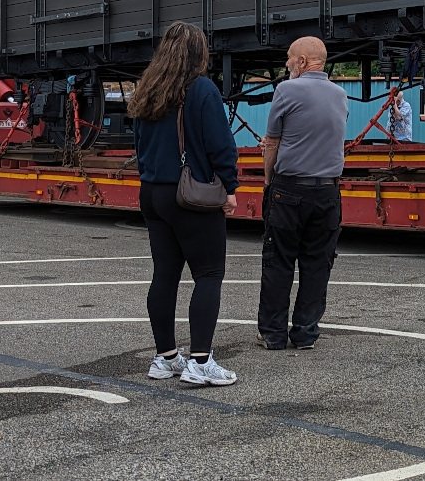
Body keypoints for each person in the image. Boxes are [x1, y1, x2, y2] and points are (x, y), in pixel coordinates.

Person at [129, 22, 241, 386]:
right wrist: (230, 187)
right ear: (199, 53)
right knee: (208, 274)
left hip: (152, 192)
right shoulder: (201, 89)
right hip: (189, 193)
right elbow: (219, 144)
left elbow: (139, 144)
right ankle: (201, 361)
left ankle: (165, 358)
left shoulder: (147, 89)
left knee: (165, 274)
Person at [257, 36, 349, 350]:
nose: (286, 65)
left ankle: (272, 334)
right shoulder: (340, 95)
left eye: (288, 59)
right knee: (317, 263)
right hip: (327, 192)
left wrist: (270, 180)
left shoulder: (286, 90)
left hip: (289, 190)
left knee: (279, 261)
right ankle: (306, 333)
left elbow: (272, 142)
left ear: (303, 62)